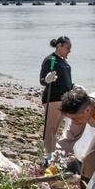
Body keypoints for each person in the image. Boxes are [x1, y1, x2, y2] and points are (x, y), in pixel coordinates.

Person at [38, 36, 75, 166]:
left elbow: (67, 81)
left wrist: (74, 87)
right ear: (59, 45)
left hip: (64, 98)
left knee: (55, 129)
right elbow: (42, 80)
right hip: (53, 97)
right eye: (67, 48)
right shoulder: (51, 60)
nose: (69, 51)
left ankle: (53, 156)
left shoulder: (64, 62)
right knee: (50, 127)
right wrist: (47, 79)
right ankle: (49, 157)